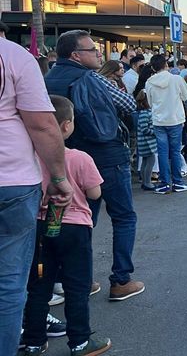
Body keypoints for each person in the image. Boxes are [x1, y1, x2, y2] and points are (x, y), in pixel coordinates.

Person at [44, 30, 144, 302]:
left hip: (62, 159)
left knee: (78, 220)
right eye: (93, 50)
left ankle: (77, 279)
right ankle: (121, 280)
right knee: (123, 217)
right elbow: (128, 104)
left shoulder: (47, 80)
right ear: (76, 55)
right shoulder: (94, 79)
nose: (100, 54)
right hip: (106, 157)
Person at [0, 20, 72, 356]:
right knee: (10, 283)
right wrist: (59, 178)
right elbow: (43, 125)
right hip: (11, 183)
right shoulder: (14, 57)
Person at [19, 96, 111, 356]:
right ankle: (80, 341)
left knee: (38, 286)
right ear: (67, 125)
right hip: (75, 229)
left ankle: (34, 341)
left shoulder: (32, 159)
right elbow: (94, 194)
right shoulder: (81, 158)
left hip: (40, 226)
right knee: (77, 287)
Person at [144, 54, 187, 195]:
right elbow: (185, 96)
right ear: (166, 65)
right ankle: (177, 182)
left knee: (162, 153)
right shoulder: (176, 79)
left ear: (152, 67)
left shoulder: (149, 82)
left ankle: (164, 183)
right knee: (175, 152)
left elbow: (150, 102)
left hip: (159, 121)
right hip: (175, 119)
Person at [135, 92, 157, 191]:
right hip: (147, 142)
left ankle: (145, 182)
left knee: (145, 161)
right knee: (150, 161)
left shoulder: (144, 112)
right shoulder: (145, 113)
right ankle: (147, 182)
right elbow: (144, 129)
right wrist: (154, 132)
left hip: (145, 142)